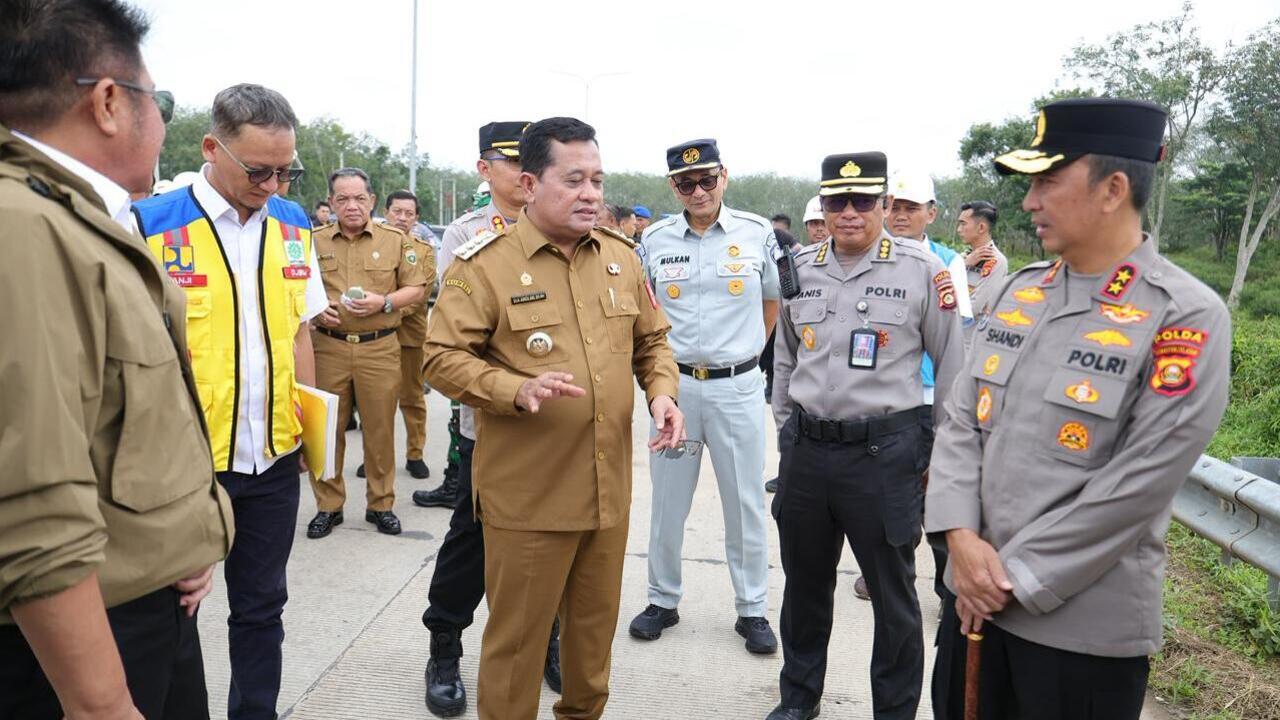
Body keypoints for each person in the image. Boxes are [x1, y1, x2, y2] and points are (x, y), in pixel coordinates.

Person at [927, 98, 1231, 720]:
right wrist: (959, 537)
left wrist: (1006, 580)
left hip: (1078, 634)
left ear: (1113, 189)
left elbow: (1140, 482)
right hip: (971, 608)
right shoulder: (1022, 290)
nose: (1029, 201)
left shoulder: (1184, 314)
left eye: (1047, 182)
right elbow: (960, 422)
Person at [0, 2, 234, 717]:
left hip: (147, 599)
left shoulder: (74, 217)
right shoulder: (22, 228)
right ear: (107, 102)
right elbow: (32, 501)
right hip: (89, 638)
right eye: (158, 102)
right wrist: (101, 703)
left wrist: (185, 536)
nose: (160, 124)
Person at [423, 116, 683, 720]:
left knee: (590, 651)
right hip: (529, 499)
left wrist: (662, 394)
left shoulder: (620, 257)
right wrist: (513, 388)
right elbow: (439, 359)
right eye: (574, 180)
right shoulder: (483, 264)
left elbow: (652, 342)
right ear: (530, 184)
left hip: (606, 493)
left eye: (597, 180)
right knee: (516, 652)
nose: (590, 193)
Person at [132, 83, 322, 720]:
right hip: (184, 465)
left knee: (262, 609)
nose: (273, 185)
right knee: (171, 612)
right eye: (259, 170)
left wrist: (307, 429)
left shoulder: (294, 224)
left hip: (272, 459)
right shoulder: (151, 225)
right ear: (212, 148)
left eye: (286, 171)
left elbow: (299, 332)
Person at [768, 152, 962, 720]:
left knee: (894, 599)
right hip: (808, 452)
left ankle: (894, 713)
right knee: (804, 588)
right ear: (823, 205)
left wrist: (944, 455)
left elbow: (953, 366)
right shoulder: (799, 267)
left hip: (884, 455)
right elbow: (785, 358)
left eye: (862, 200)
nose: (848, 212)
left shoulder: (923, 270)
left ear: (883, 203)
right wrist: (786, 432)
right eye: (837, 201)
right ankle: (798, 698)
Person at [414, 121, 562, 717]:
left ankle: (547, 640)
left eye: (531, 162)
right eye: (511, 162)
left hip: (558, 423)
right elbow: (455, 342)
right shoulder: (467, 235)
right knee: (473, 539)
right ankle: (445, 645)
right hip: (493, 423)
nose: (524, 173)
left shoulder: (565, 227)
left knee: (554, 539)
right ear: (485, 169)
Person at [631, 138, 780, 655]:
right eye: (686, 183)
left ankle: (752, 609)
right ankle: (662, 599)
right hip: (674, 391)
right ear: (673, 187)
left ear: (724, 177)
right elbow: (645, 313)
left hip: (737, 388)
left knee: (745, 502)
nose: (698, 191)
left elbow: (771, 303)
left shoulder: (756, 234)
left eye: (707, 179)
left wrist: (745, 355)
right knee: (668, 501)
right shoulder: (654, 240)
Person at [306, 167, 427, 538]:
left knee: (379, 431)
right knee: (327, 430)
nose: (352, 206)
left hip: (379, 347)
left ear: (372, 201)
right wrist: (314, 309)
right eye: (342, 199)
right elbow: (293, 284)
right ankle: (329, 506)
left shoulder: (395, 240)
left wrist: (384, 302)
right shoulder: (312, 241)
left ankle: (381, 505)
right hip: (328, 347)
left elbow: (417, 288)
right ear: (331, 202)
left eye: (359, 198)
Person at [869, 170, 972, 604]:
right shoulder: (868, 255)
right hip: (883, 400)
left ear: (931, 213)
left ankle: (948, 590)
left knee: (939, 492)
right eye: (893, 206)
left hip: (930, 397)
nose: (900, 215)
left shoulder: (947, 262)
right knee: (888, 493)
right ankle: (889, 574)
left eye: (911, 208)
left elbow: (958, 336)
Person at [382, 189, 438, 480]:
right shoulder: (371, 245)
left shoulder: (424, 251)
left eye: (408, 213)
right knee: (377, 400)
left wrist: (384, 309)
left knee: (412, 397)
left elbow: (420, 295)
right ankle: (376, 457)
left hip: (409, 336)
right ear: (386, 212)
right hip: (375, 335)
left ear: (416, 218)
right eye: (397, 211)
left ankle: (415, 453)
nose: (402, 218)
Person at [956, 200, 1007, 348]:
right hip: (952, 337)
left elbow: (973, 308)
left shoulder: (996, 261)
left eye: (963, 224)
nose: (959, 230)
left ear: (981, 227)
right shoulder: (965, 257)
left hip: (969, 343)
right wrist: (963, 264)